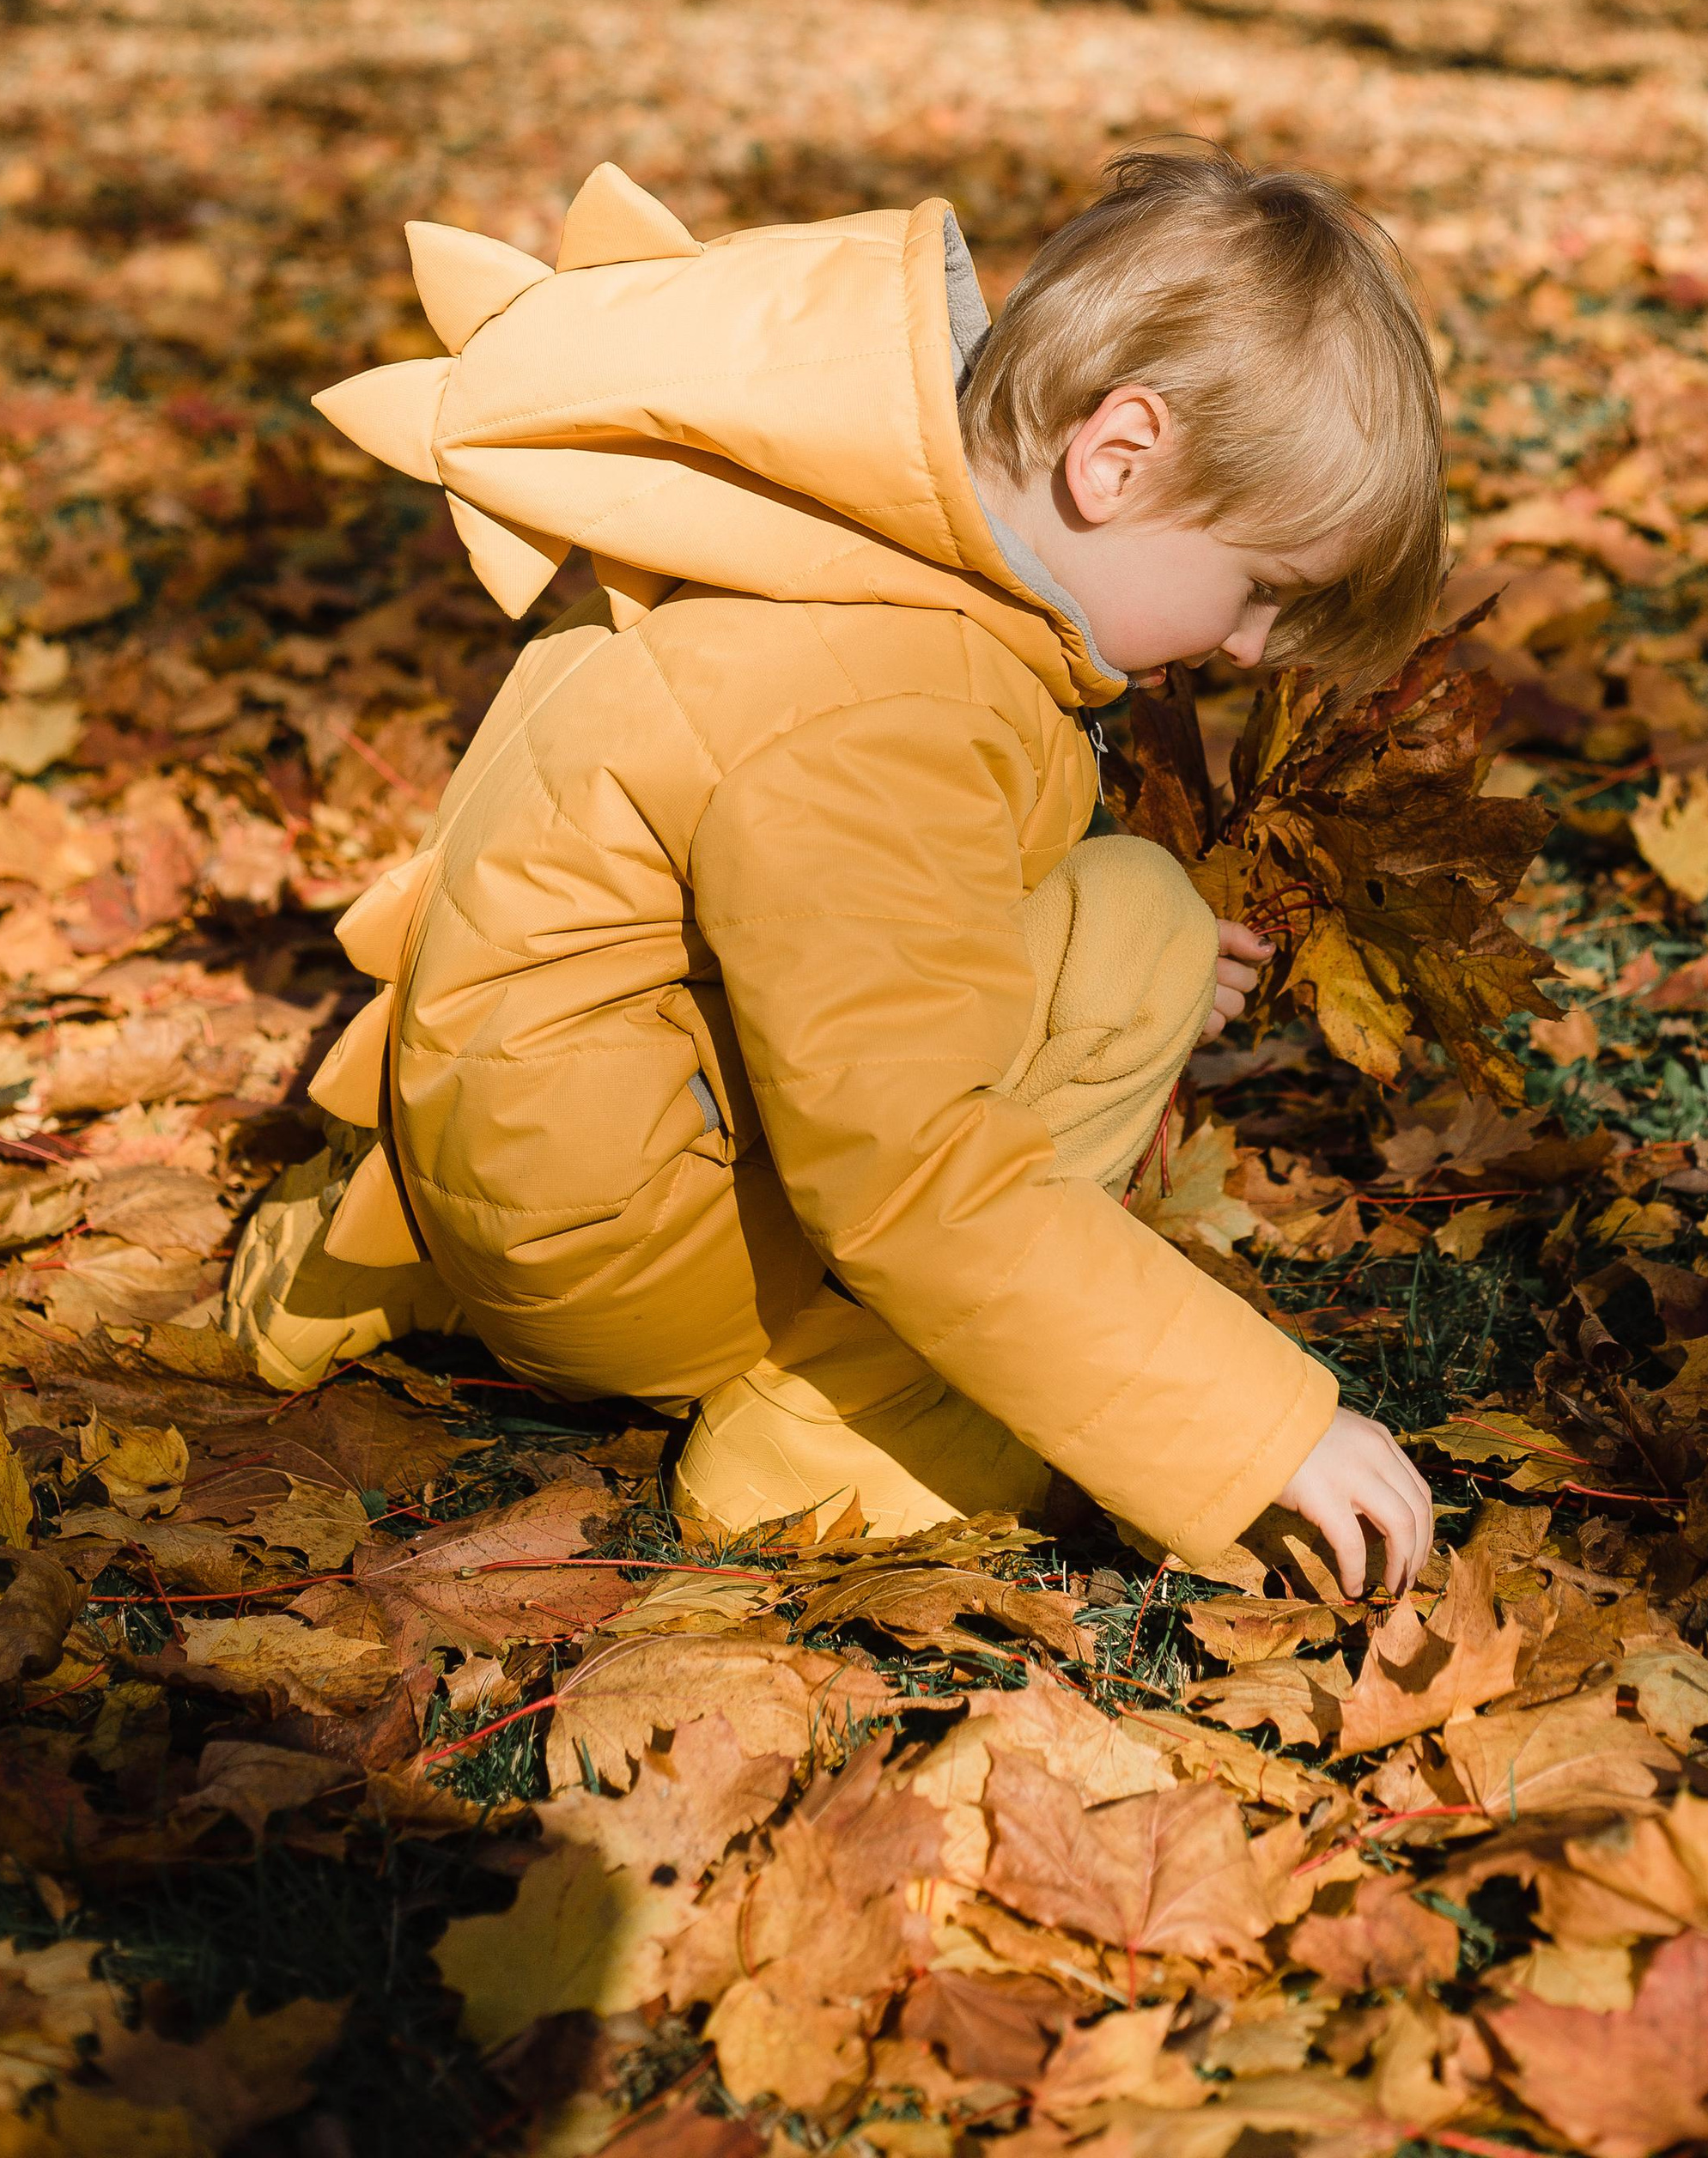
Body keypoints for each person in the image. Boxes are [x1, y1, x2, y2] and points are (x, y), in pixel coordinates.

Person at [226, 147, 1442, 1596]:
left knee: (1123, 935)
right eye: (1258, 589)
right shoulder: (898, 704)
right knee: (1139, 928)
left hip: (487, 1151)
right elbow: (911, 1163)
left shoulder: (816, 531)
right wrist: (1254, 1429)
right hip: (614, 1258)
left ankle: (366, 1272)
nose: (1246, 648)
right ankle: (826, 1438)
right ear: (1118, 457)